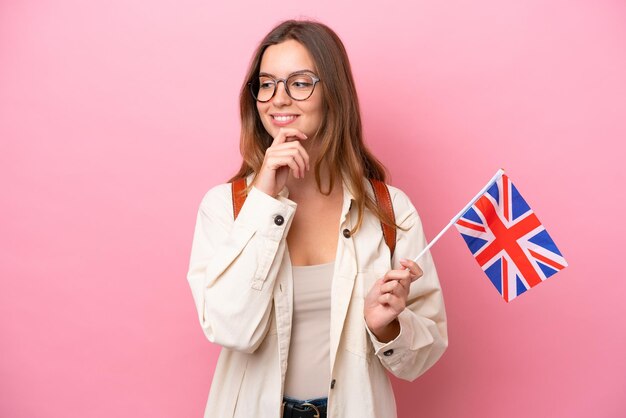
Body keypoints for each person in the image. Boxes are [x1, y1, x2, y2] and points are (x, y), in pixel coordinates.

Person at [187, 19, 448, 418]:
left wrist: (387, 327)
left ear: (334, 94)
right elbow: (228, 328)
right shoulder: (227, 206)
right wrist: (263, 199)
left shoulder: (388, 208)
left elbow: (423, 354)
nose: (278, 99)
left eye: (300, 82)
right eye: (267, 83)